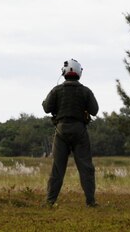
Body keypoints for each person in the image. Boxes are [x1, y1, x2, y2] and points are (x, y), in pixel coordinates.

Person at [42, 58, 99, 207]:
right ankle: (90, 201)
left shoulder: (56, 90)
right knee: (86, 167)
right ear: (79, 73)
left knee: (57, 168)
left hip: (61, 130)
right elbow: (94, 110)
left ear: (64, 72)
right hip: (80, 131)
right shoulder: (86, 91)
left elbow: (46, 108)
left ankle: (50, 201)